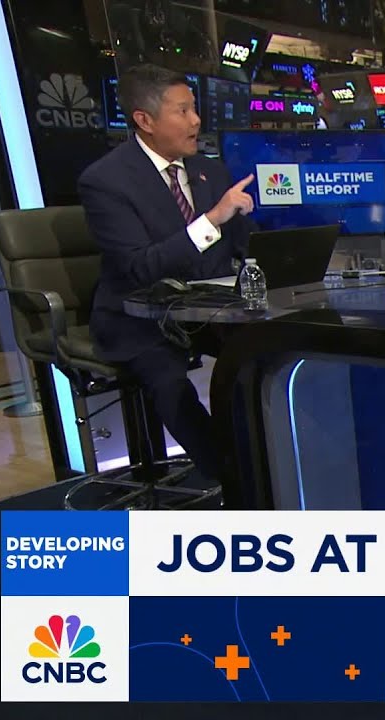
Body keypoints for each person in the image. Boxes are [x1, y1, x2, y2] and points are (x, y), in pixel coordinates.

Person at [80, 64, 257, 481]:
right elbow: (138, 266)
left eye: (194, 108)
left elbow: (242, 244)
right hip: (139, 317)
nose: (196, 121)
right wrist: (211, 219)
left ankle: (269, 459)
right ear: (145, 120)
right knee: (170, 384)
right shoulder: (105, 182)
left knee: (265, 356)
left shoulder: (210, 170)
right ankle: (233, 478)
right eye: (183, 111)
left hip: (210, 310)